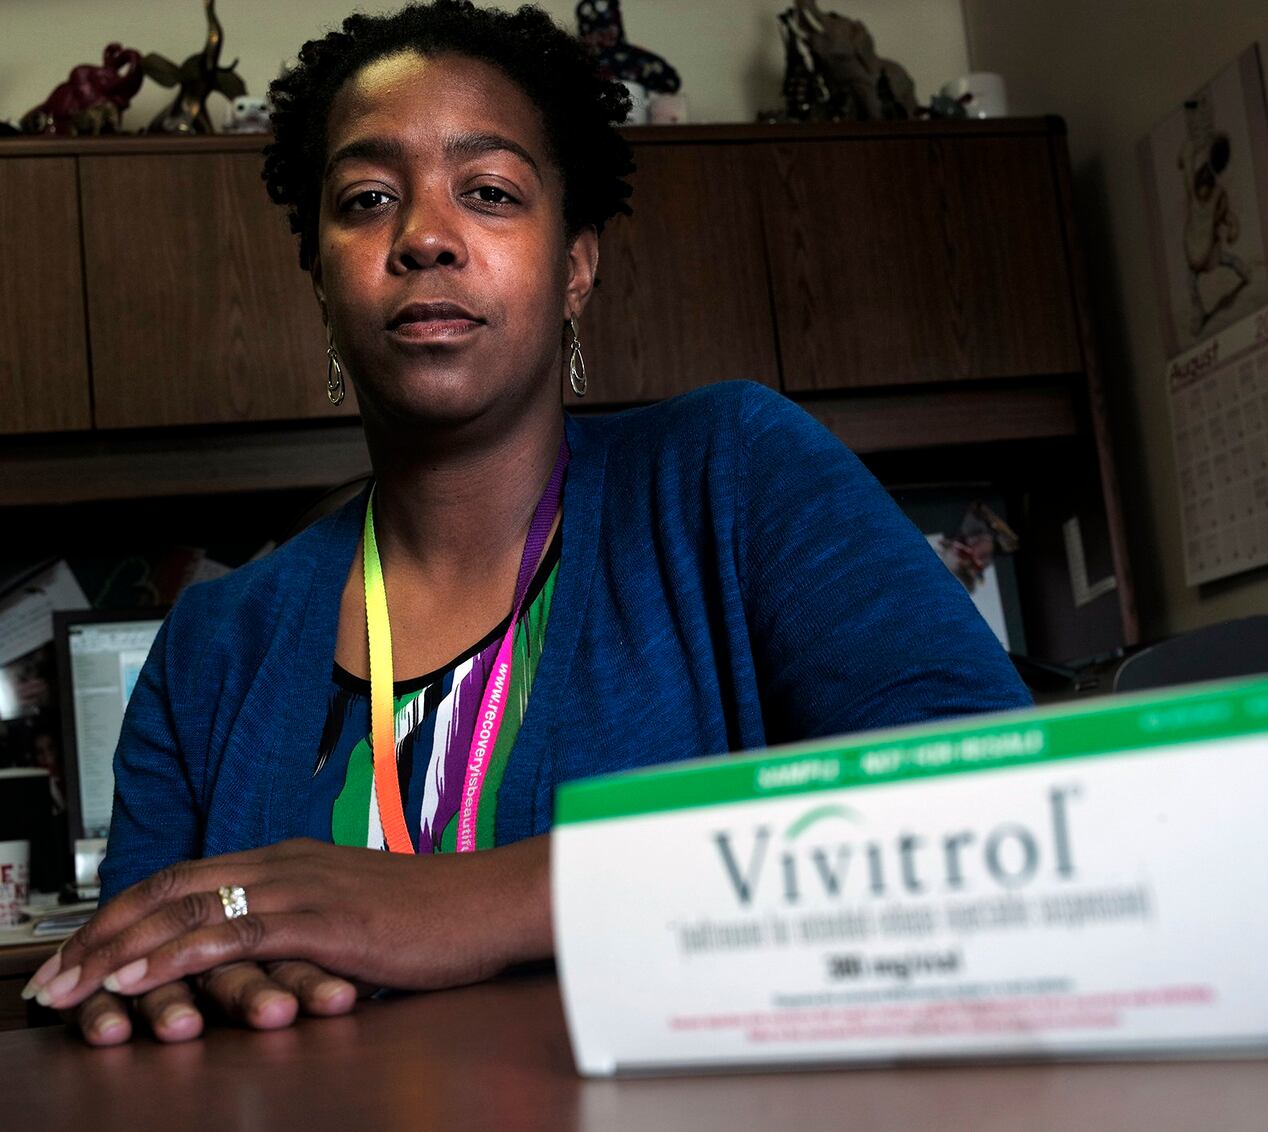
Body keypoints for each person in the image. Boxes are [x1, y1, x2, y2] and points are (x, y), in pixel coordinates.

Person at [23, 0, 1029, 1045]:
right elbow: (142, 964)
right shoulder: (209, 646)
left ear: (577, 266)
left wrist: (494, 897)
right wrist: (162, 986)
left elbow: (988, 791)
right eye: (367, 199)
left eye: (490, 191)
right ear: (319, 280)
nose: (422, 237)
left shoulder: (730, 473)